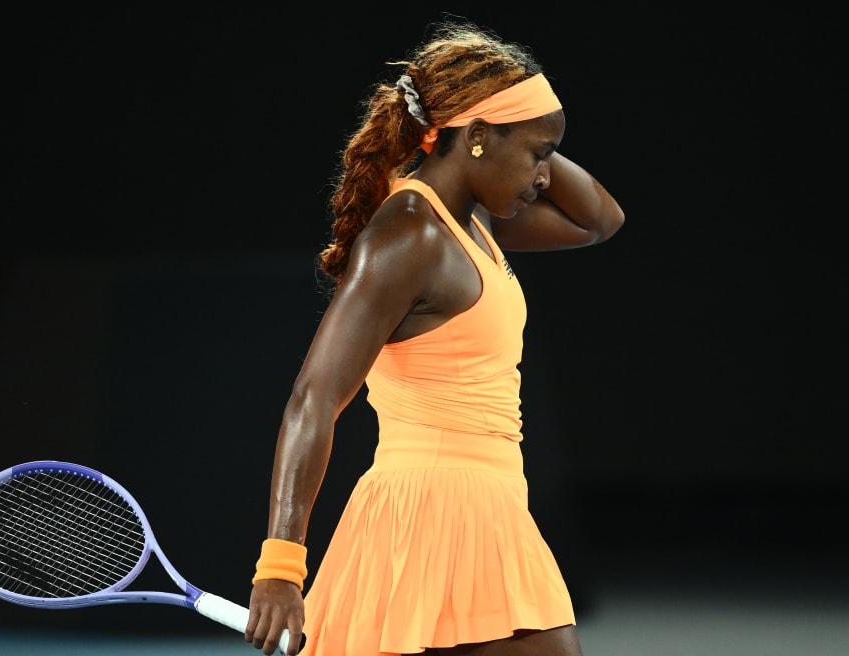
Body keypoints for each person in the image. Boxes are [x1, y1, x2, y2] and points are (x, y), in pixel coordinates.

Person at [244, 17, 625, 656]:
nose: (543, 176)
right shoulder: (409, 236)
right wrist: (280, 567)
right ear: (476, 138)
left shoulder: (472, 224)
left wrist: (535, 128)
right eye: (536, 156)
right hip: (426, 515)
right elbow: (314, 397)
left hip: (489, 510)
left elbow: (599, 220)